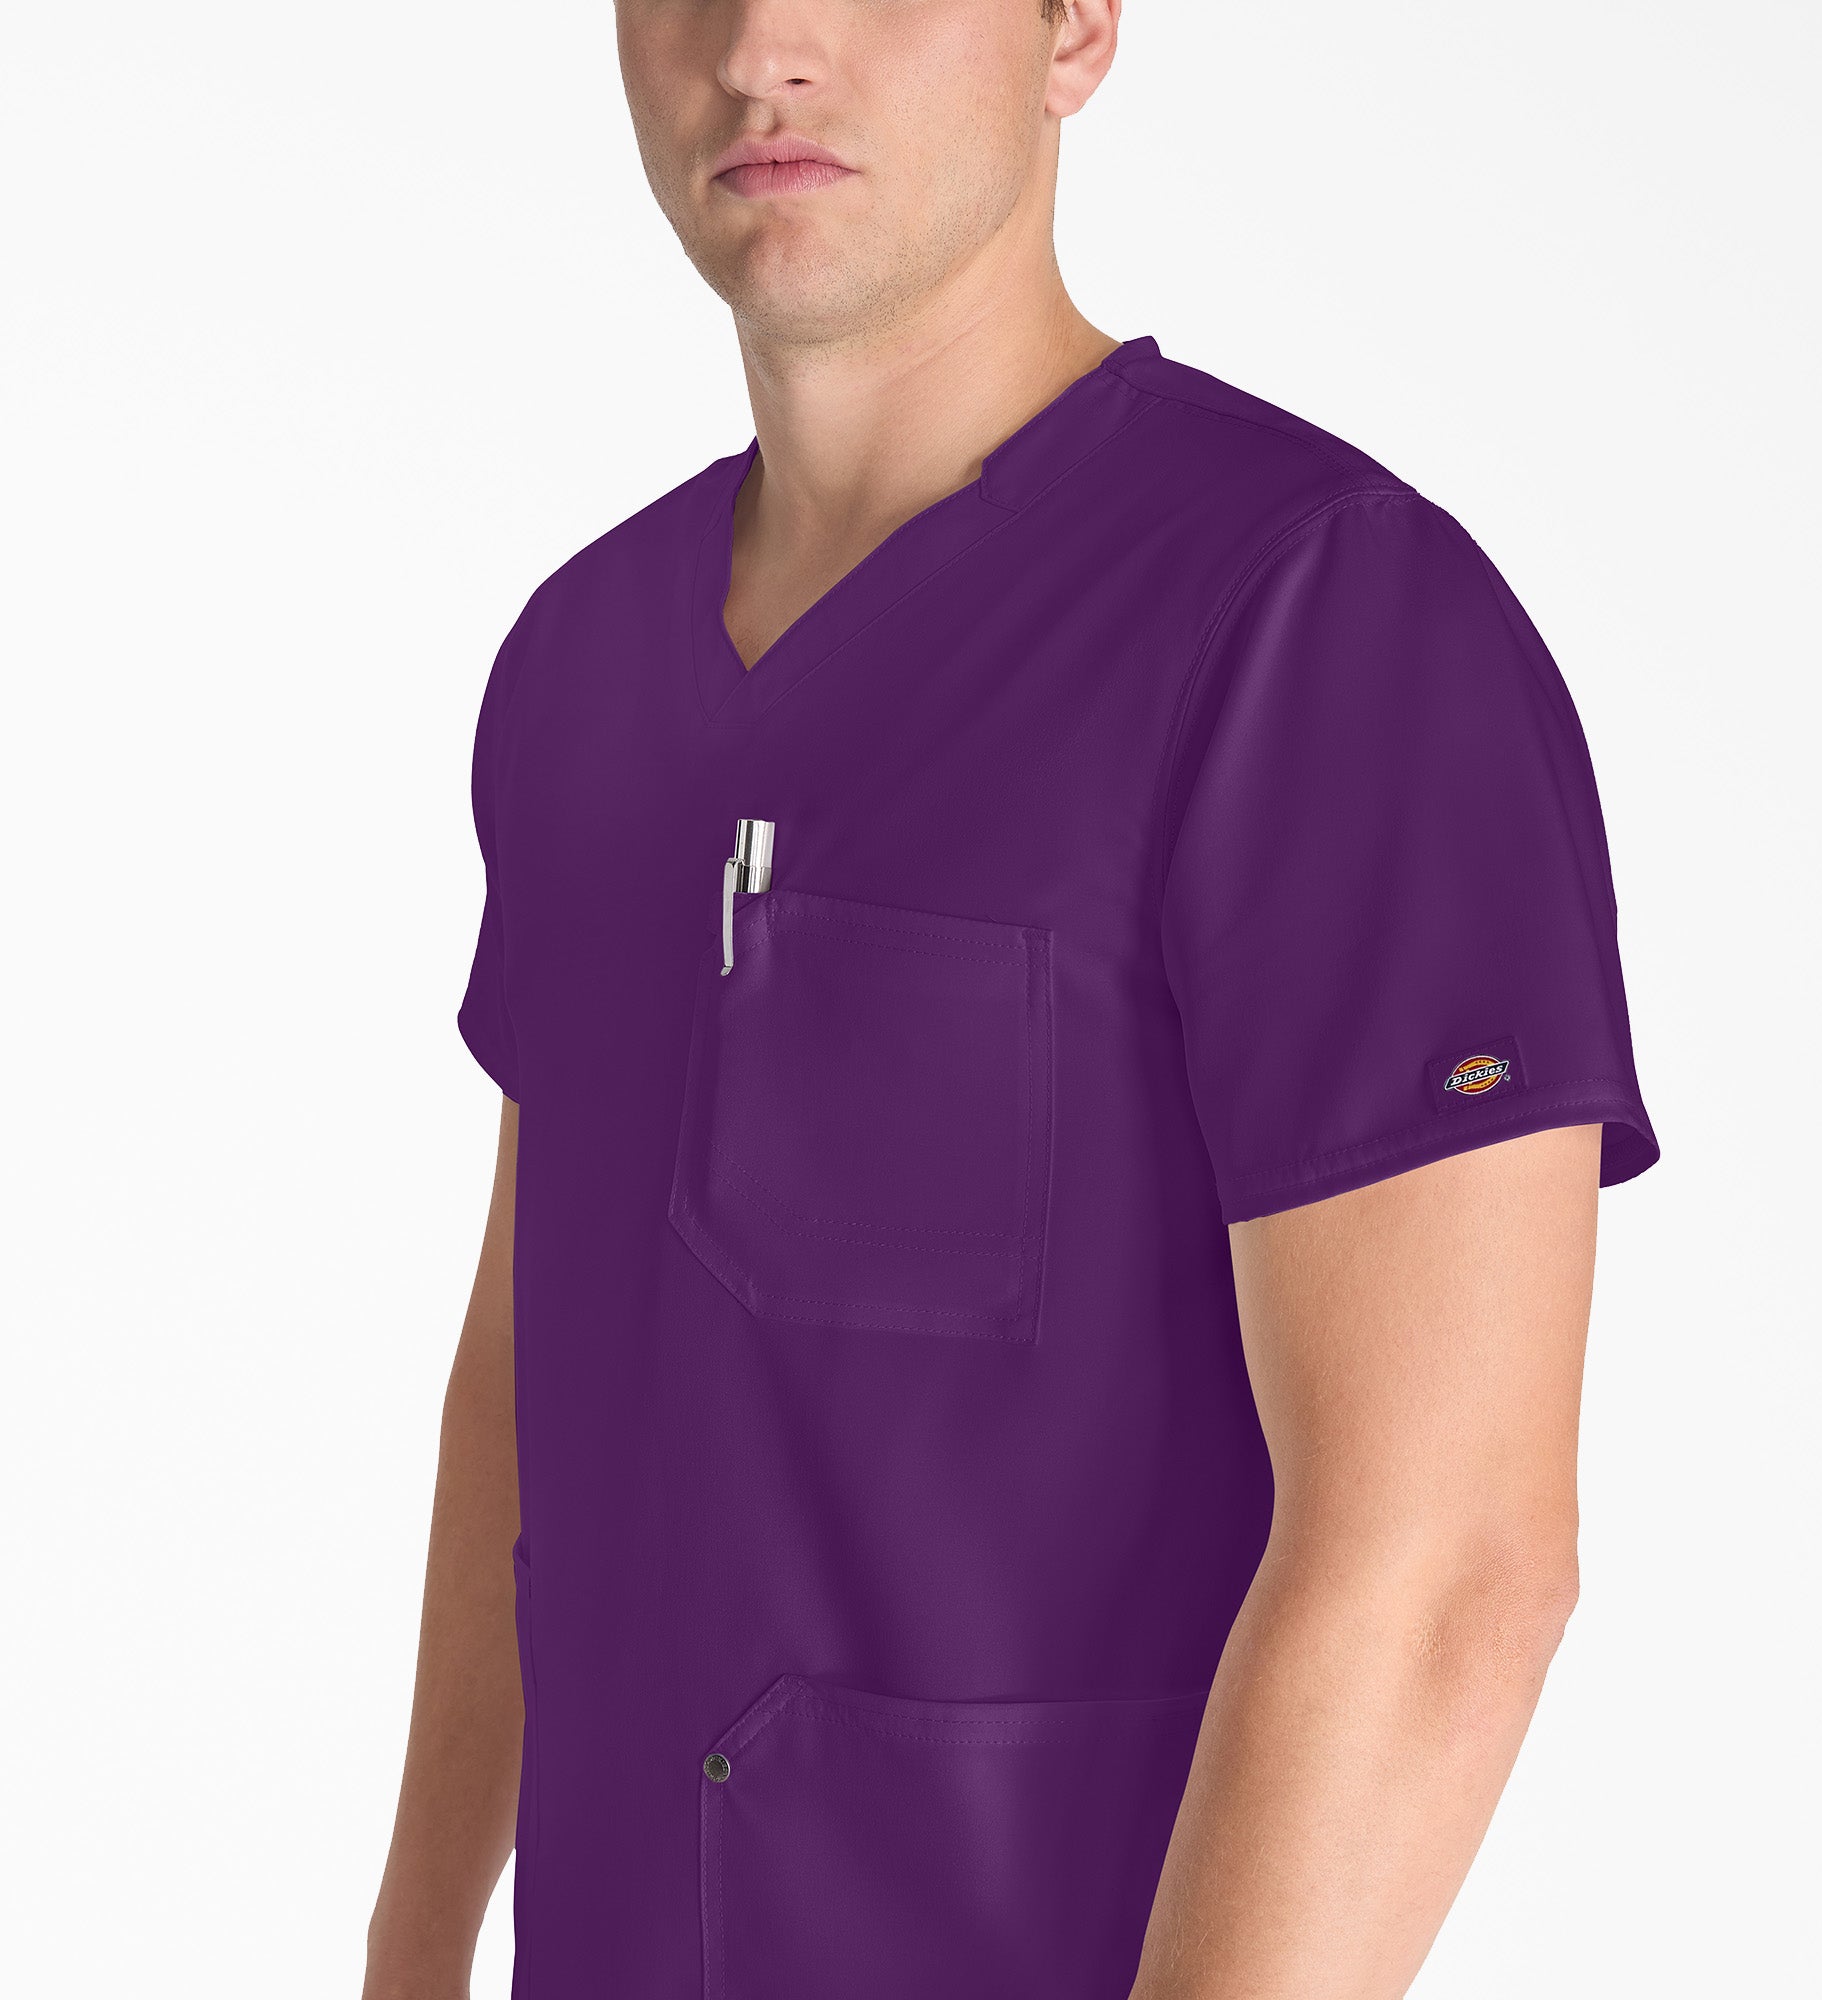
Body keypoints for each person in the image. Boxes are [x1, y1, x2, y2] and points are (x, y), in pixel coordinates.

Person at [361, 3, 1659, 1995]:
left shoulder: (1323, 626)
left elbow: (1449, 1562)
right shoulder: (583, 664)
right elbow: (533, 1381)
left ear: (1074, 26)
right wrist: (411, 1948)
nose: (764, 44)